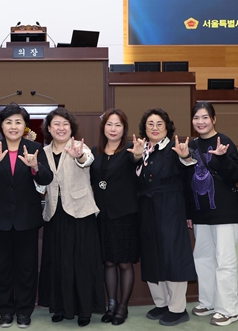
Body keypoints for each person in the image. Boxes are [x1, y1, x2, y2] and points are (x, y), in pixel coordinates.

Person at [0, 104, 53, 328]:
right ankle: (6, 311)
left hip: (27, 218)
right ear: (1, 126)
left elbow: (46, 178)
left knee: (27, 268)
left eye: (18, 122)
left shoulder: (35, 148)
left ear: (25, 126)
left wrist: (35, 167)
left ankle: (24, 312)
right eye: (8, 122)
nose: (13, 126)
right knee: (1, 268)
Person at [38, 107, 104, 327]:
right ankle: (59, 306)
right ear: (49, 128)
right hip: (54, 214)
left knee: (81, 263)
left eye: (65, 124)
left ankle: (84, 310)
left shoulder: (79, 147)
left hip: (80, 213)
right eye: (56, 124)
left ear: (71, 128)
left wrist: (80, 156)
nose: (61, 128)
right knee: (58, 262)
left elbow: (87, 160)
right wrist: (33, 172)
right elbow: (41, 184)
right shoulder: (43, 152)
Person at [131, 107, 196, 326]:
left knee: (172, 256)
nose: (155, 128)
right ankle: (162, 303)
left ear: (167, 127)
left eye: (160, 124)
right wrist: (136, 157)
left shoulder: (174, 148)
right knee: (151, 254)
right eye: (150, 124)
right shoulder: (141, 149)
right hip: (146, 209)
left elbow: (188, 169)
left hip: (170, 208)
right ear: (144, 128)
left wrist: (186, 156)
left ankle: (177, 308)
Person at [182, 102, 238, 327]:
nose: (200, 122)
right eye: (196, 118)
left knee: (225, 261)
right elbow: (187, 181)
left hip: (224, 212)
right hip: (200, 213)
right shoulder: (191, 145)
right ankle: (208, 302)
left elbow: (237, 175)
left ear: (214, 119)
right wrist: (189, 212)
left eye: (205, 117)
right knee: (202, 258)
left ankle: (228, 310)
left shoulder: (224, 141)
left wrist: (222, 157)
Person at [90, 109, 138, 326]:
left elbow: (137, 160)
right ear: (103, 127)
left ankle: (123, 306)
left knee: (125, 263)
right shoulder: (95, 151)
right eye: (109, 124)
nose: (113, 129)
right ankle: (111, 304)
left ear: (124, 128)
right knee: (108, 262)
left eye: (118, 125)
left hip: (125, 214)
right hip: (102, 215)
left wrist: (138, 155)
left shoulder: (130, 149)